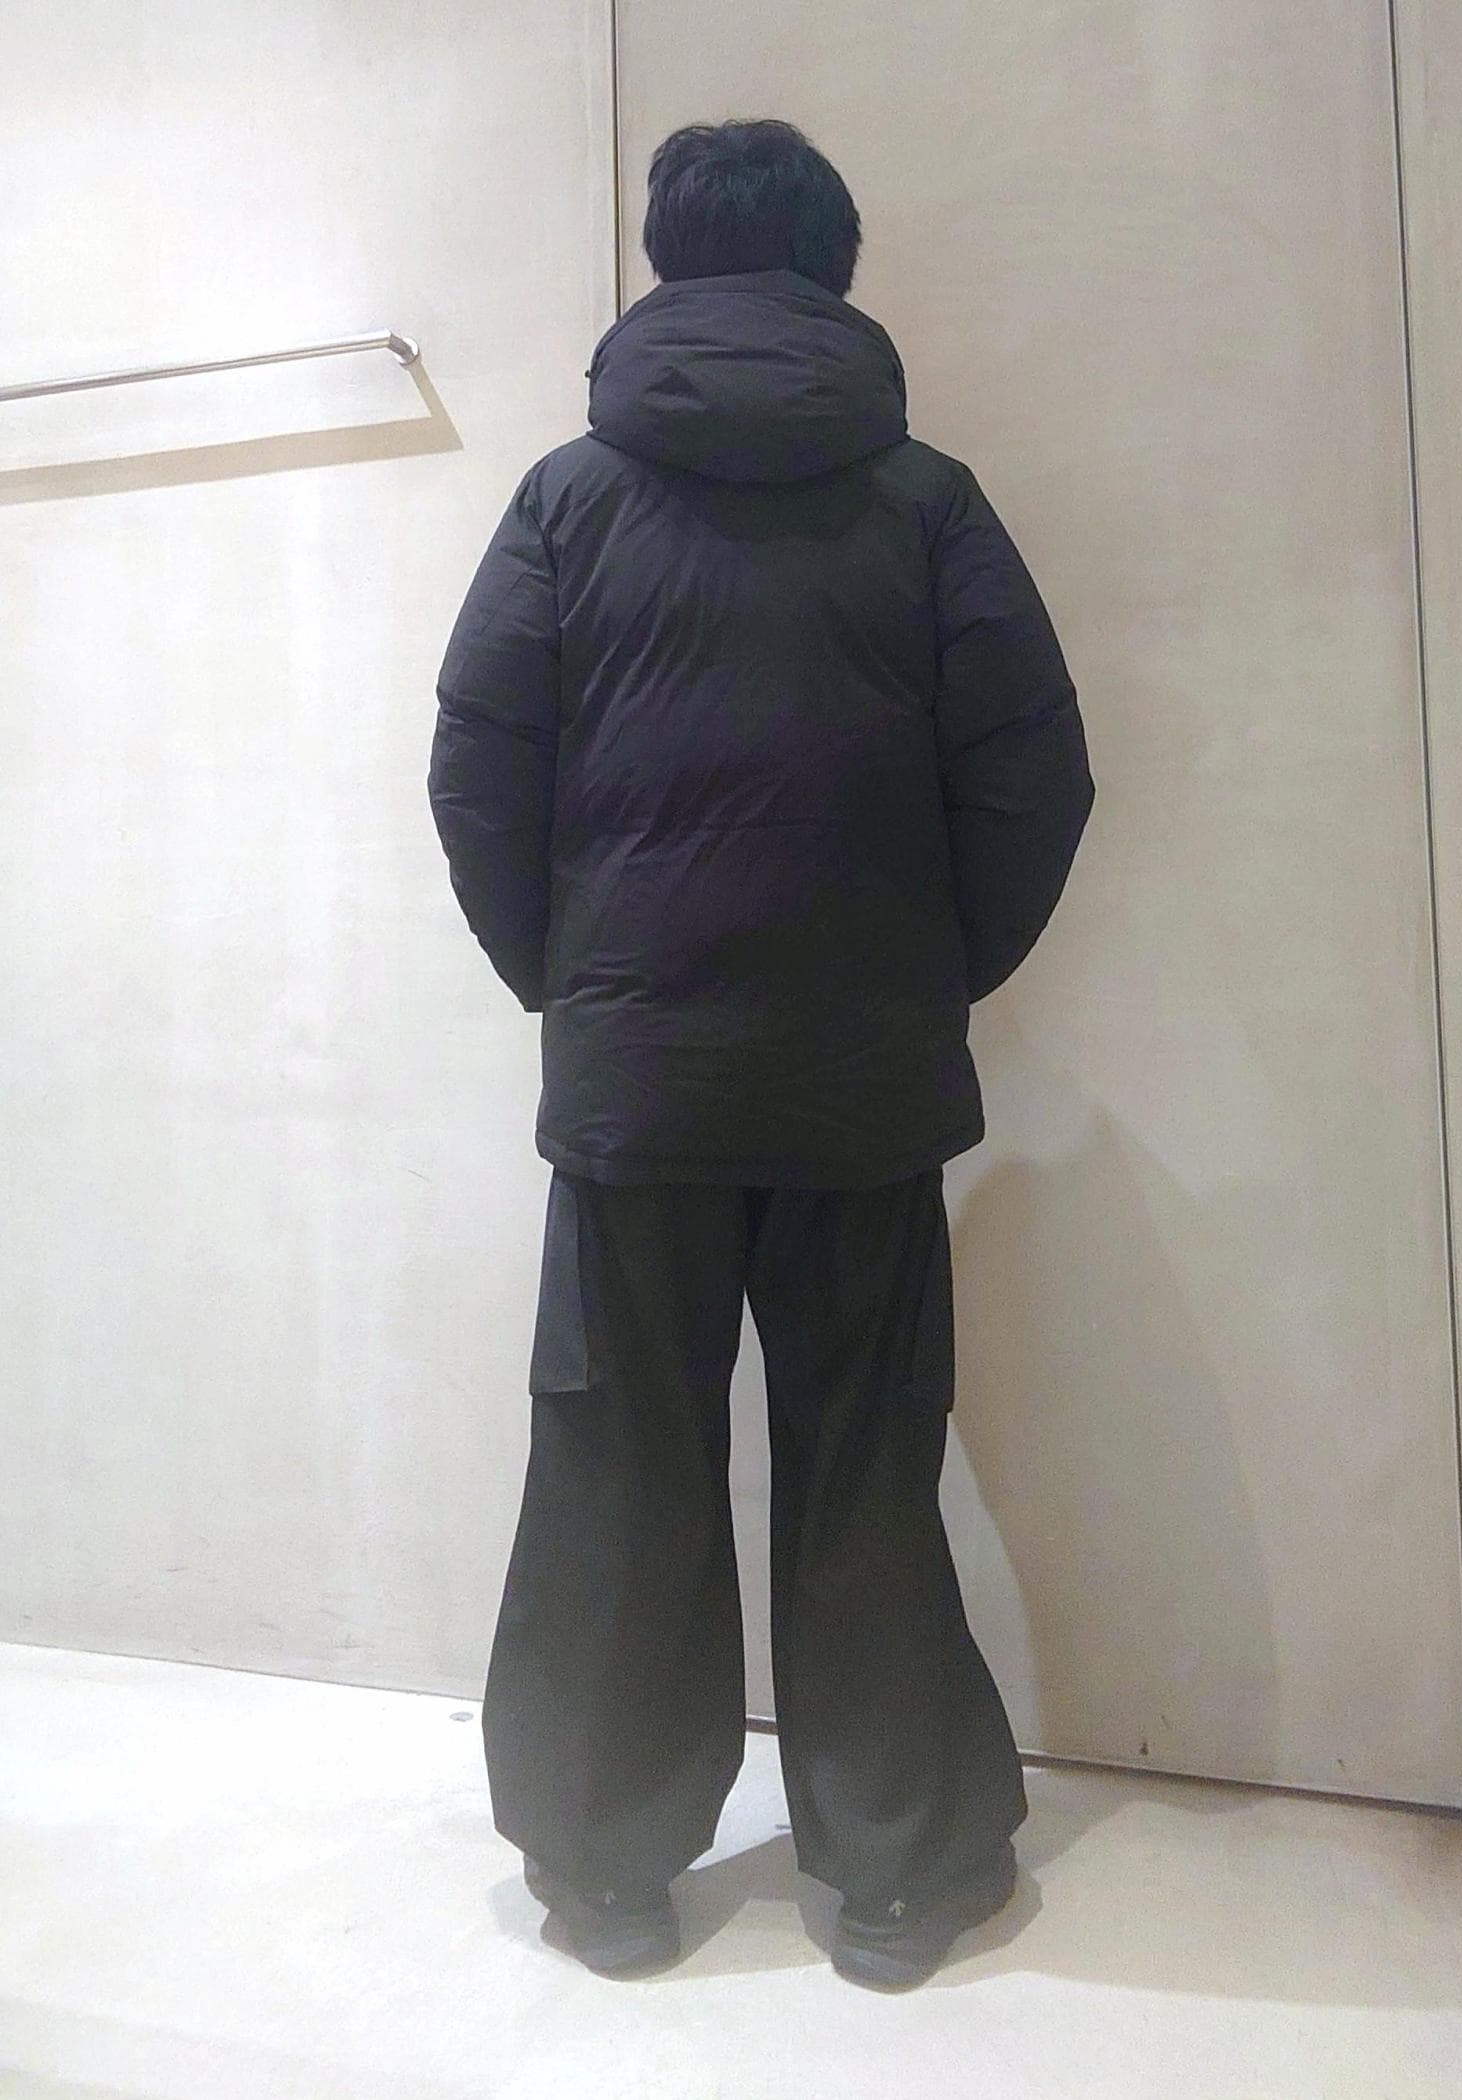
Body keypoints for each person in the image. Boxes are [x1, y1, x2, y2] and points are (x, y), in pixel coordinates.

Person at [428, 117, 1094, 1990]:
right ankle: (896, 1871)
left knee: (616, 1461)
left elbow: (476, 768)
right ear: (833, 262)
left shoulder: (567, 499)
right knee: (866, 1460)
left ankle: (605, 1868)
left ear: (666, 259)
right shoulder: (927, 501)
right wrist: (926, 978)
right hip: (860, 1083)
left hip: (636, 1087)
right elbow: (1037, 774)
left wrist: (582, 988)